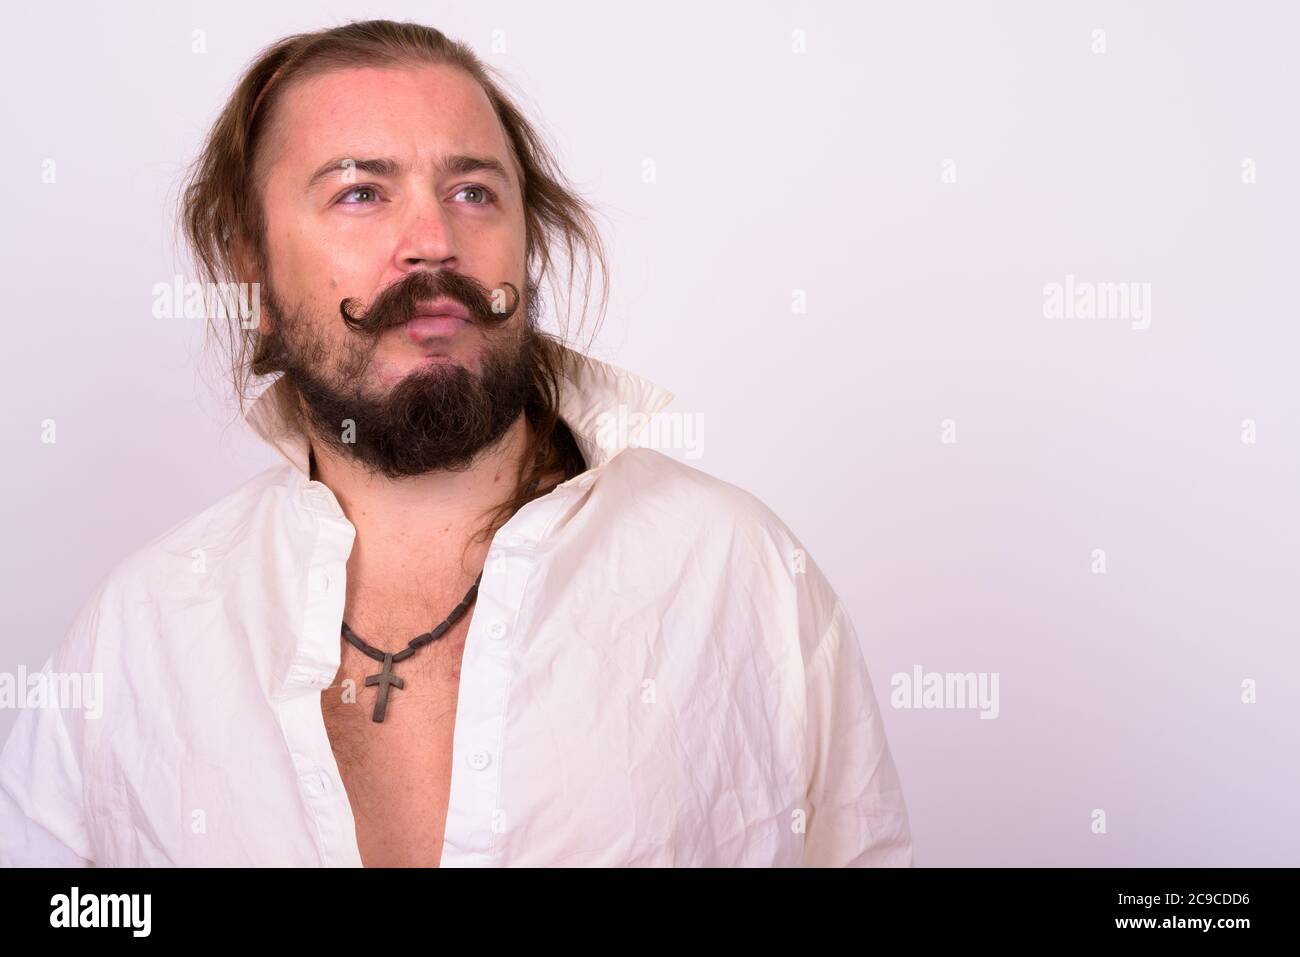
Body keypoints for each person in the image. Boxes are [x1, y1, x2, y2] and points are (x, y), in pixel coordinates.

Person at [0, 19, 912, 867]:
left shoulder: (741, 579)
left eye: (473, 191)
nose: (433, 242)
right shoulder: (138, 636)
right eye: (360, 192)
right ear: (255, 272)